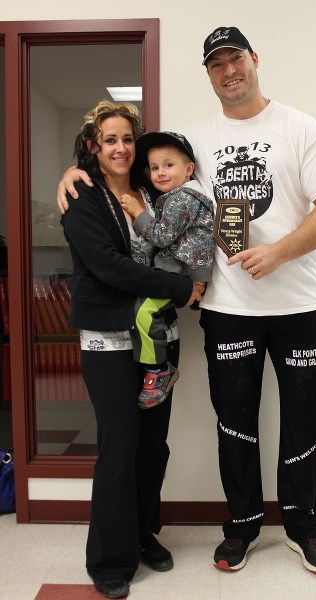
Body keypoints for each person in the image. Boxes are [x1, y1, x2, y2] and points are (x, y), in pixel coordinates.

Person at [57, 26, 316, 577]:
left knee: (305, 420)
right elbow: (121, 168)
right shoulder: (190, 140)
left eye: (234, 59)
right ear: (208, 74)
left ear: (253, 60)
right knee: (234, 425)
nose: (228, 71)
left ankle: (304, 527)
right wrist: (74, 170)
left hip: (300, 307)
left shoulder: (301, 128)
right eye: (215, 64)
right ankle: (241, 527)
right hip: (227, 310)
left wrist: (281, 252)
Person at [60, 99, 203, 599]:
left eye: (126, 138)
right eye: (109, 140)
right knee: (119, 449)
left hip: (161, 339)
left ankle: (143, 534)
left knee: (152, 446)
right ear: (95, 148)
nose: (120, 148)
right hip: (110, 341)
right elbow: (106, 266)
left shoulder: (154, 192)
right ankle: (109, 558)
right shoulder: (82, 195)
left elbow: (186, 238)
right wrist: (180, 290)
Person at [119, 131, 214, 409]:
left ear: (188, 169)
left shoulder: (181, 198)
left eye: (168, 165)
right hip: (182, 267)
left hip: (179, 269)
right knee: (150, 310)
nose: (159, 173)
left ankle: (159, 370)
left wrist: (138, 211)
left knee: (146, 312)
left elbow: (161, 236)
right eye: (154, 167)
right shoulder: (180, 194)